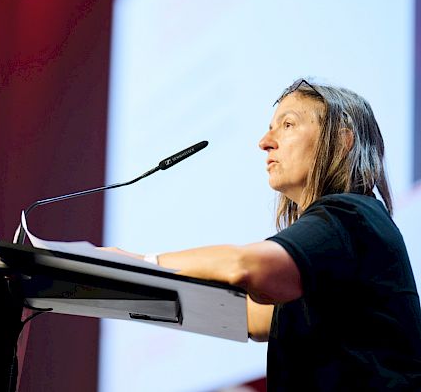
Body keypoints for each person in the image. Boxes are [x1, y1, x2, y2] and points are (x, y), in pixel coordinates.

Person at [104, 79, 421, 390]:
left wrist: (140, 264)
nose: (264, 142)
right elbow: (249, 317)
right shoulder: (336, 248)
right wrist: (118, 288)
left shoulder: (351, 215)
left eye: (288, 125)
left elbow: (245, 266)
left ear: (342, 140)